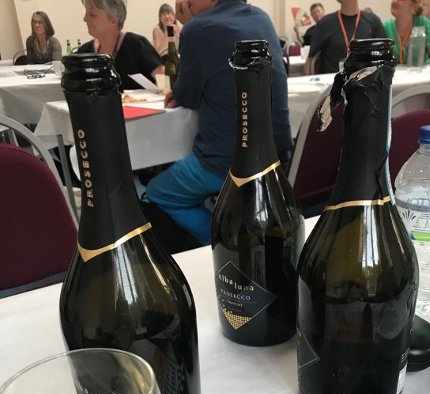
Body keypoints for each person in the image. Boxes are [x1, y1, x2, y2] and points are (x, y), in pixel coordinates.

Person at [145, 0, 292, 248]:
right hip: (277, 157)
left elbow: (186, 96)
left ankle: (218, 243)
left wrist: (190, 26)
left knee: (157, 192)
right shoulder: (262, 18)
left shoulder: (197, 29)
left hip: (224, 162)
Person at [77, 0, 164, 90]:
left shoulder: (136, 46)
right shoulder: (83, 53)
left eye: (92, 14)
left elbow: (164, 83)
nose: (85, 19)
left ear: (114, 20)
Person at [307, 0, 386, 74]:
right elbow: (310, 59)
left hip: (366, 80)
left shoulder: (373, 21)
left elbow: (384, 56)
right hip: (334, 81)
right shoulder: (325, 23)